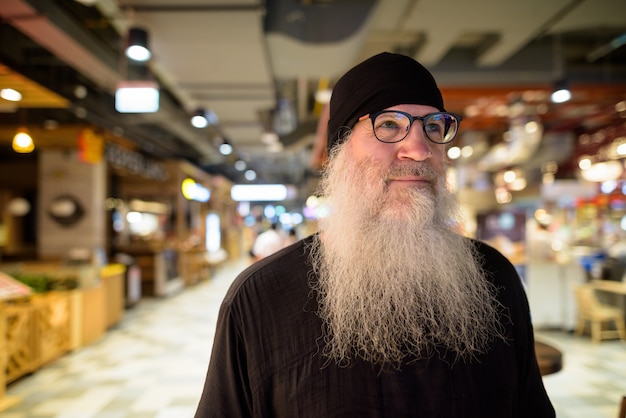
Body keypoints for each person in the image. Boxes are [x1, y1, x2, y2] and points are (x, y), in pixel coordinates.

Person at [195, 52, 555, 417]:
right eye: (388, 125)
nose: (419, 149)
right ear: (339, 153)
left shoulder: (494, 277)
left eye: (433, 126)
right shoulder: (259, 298)